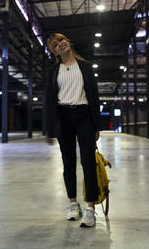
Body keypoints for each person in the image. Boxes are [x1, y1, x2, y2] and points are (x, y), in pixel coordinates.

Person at [43, 33, 103, 227]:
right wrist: (50, 128)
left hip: (84, 115)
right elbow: (49, 100)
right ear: (54, 51)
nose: (60, 44)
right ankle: (73, 204)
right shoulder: (53, 71)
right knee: (68, 162)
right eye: (55, 44)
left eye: (62, 40)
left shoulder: (85, 67)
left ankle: (90, 209)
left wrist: (96, 125)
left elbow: (94, 96)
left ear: (68, 42)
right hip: (63, 117)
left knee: (88, 161)